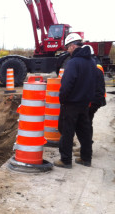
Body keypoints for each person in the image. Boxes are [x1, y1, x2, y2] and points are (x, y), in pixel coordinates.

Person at [54, 33, 97, 169]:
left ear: (73, 46)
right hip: (85, 104)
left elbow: (67, 84)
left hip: (71, 104)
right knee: (84, 132)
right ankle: (86, 158)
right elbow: (94, 82)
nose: (67, 50)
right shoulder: (91, 61)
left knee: (67, 132)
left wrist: (62, 99)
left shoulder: (73, 62)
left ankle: (65, 160)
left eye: (68, 47)